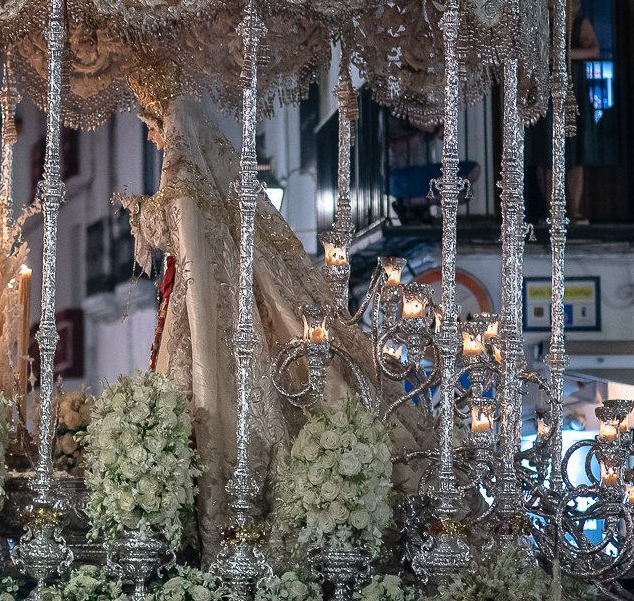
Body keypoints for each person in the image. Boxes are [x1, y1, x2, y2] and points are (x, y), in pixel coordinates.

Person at [121, 64, 430, 561]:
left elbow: (183, 235)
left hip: (210, 315)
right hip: (195, 307)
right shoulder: (201, 181)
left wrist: (142, 214)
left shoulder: (184, 177)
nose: (155, 141)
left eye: (154, 129)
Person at [532, 0, 602, 223]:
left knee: (575, 155)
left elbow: (593, 50)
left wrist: (561, 54)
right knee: (545, 155)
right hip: (545, 96)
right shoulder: (539, 25)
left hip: (573, 94)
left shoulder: (579, 24)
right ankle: (552, 210)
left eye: (554, 4)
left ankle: (574, 210)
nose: (551, 9)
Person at [387, 115, 480, 224]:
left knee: (466, 190)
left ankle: (416, 203)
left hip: (404, 183)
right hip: (397, 179)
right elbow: (394, 148)